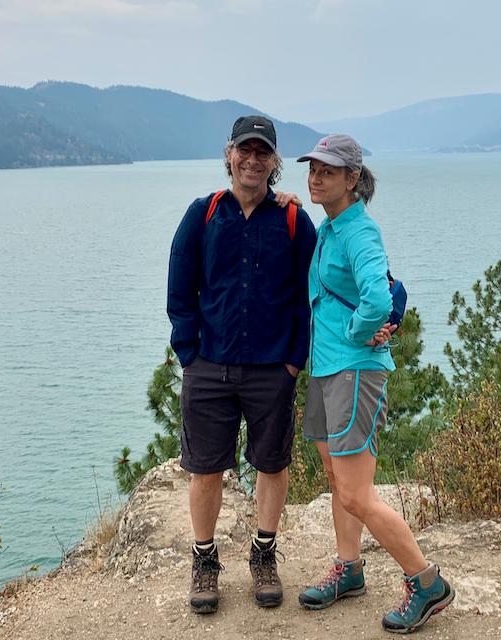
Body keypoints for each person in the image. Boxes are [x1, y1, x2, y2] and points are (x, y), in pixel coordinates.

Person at [295, 134, 455, 633]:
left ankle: (426, 582)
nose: (316, 177)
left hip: (354, 371)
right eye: (313, 168)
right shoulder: (330, 226)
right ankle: (350, 569)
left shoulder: (360, 232)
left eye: (328, 170)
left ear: (352, 179)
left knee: (358, 494)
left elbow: (379, 300)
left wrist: (355, 334)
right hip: (326, 369)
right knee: (340, 484)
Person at [167, 115, 317, 613]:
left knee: (271, 463)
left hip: (272, 368)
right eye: (245, 151)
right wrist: (189, 355)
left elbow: (307, 297)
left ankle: (263, 554)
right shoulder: (203, 214)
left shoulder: (294, 222)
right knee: (205, 469)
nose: (253, 160)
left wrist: (294, 362)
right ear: (229, 153)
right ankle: (205, 563)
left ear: (274, 162)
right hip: (209, 366)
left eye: (263, 152)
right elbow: (180, 287)